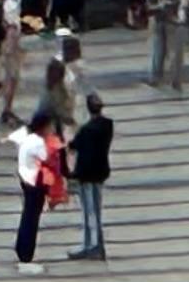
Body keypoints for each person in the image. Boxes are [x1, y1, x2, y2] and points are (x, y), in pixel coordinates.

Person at [65, 90, 115, 259]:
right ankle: (98, 244)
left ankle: (90, 245)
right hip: (100, 173)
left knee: (88, 212)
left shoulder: (87, 130)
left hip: (86, 175)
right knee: (97, 211)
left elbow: (73, 146)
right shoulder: (108, 125)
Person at [8, 113, 60, 266]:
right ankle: (26, 251)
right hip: (35, 182)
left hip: (26, 180)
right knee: (32, 217)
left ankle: (22, 247)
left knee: (28, 213)